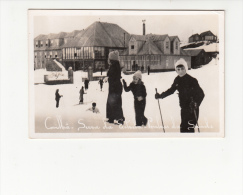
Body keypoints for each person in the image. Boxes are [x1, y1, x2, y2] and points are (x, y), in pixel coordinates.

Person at [155, 58, 205, 133]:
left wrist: (195, 103)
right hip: (184, 109)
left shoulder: (192, 80)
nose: (180, 71)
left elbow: (201, 94)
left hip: (192, 109)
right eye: (178, 69)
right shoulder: (177, 80)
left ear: (186, 68)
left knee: (189, 129)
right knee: (183, 128)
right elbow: (171, 90)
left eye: (182, 69)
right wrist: (160, 96)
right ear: (176, 70)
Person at [106, 50, 125, 125]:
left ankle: (119, 118)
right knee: (112, 102)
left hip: (115, 87)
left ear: (112, 60)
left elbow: (112, 76)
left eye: (109, 59)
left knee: (116, 102)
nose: (108, 60)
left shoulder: (114, 66)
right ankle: (112, 117)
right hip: (114, 87)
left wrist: (108, 78)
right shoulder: (114, 66)